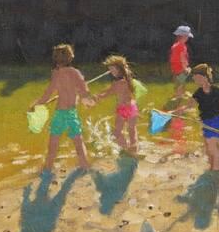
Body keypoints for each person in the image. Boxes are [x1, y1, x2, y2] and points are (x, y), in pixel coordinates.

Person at [29, 44, 93, 174]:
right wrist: (86, 99)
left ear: (55, 59)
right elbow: (84, 92)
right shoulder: (76, 73)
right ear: (71, 57)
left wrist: (36, 104)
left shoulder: (56, 74)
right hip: (71, 113)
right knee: (78, 141)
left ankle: (48, 168)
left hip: (60, 113)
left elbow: (48, 94)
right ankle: (85, 165)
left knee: (53, 142)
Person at [170, 64, 219, 171]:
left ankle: (215, 170)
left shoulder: (217, 91)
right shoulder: (199, 92)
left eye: (196, 77)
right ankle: (213, 166)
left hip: (216, 121)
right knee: (208, 148)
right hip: (205, 123)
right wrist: (175, 112)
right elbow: (189, 105)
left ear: (204, 77)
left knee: (212, 147)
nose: (193, 79)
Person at [94, 55, 140, 153]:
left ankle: (125, 147)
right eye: (110, 70)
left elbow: (108, 92)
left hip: (123, 109)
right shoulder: (128, 80)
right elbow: (109, 90)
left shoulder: (119, 83)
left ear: (119, 69)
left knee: (116, 133)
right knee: (132, 130)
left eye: (112, 69)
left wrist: (97, 97)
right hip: (132, 107)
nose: (111, 72)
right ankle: (134, 148)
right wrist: (99, 95)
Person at [170, 25, 193, 99]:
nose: (187, 38)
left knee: (178, 81)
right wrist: (185, 68)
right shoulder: (182, 46)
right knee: (181, 82)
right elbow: (182, 58)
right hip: (180, 68)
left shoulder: (175, 45)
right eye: (186, 37)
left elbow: (173, 57)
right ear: (183, 36)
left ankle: (179, 94)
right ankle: (179, 96)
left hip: (175, 67)